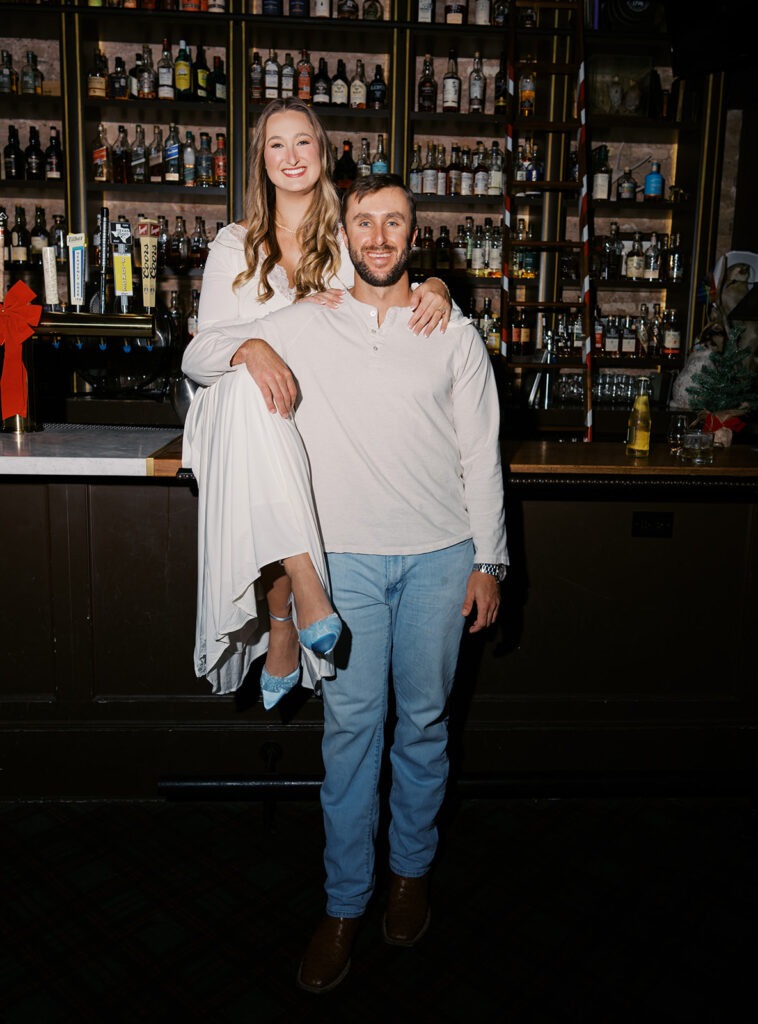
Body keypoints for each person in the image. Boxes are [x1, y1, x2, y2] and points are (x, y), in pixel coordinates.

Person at [197, 174, 508, 993]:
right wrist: (252, 344)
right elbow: (198, 354)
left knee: (427, 727)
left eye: (393, 224)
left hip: (444, 557)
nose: (377, 237)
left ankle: (409, 877)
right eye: (364, 222)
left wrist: (490, 561)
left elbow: (483, 456)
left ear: (415, 237)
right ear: (347, 234)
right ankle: (343, 906)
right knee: (350, 740)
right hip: (346, 568)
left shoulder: (453, 331)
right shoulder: (309, 318)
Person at [181, 99, 452, 706]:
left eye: (303, 142)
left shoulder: (346, 233)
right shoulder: (235, 244)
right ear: (262, 161)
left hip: (319, 414)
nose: (291, 156)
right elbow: (197, 356)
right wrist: (252, 346)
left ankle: (283, 625)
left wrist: (436, 286)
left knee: (282, 426)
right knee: (255, 403)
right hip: (235, 414)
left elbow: (390, 290)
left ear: (323, 153)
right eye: (276, 144)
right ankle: (303, 591)